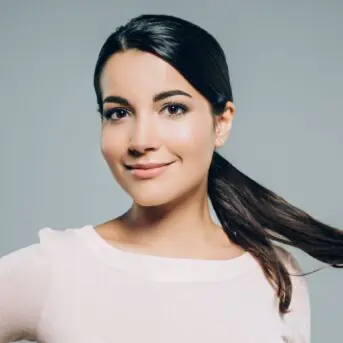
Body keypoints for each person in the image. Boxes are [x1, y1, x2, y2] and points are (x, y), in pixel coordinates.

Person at [0, 13, 342, 343]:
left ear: (221, 122)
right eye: (119, 113)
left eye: (173, 108)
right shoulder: (55, 268)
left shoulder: (276, 276)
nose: (141, 140)